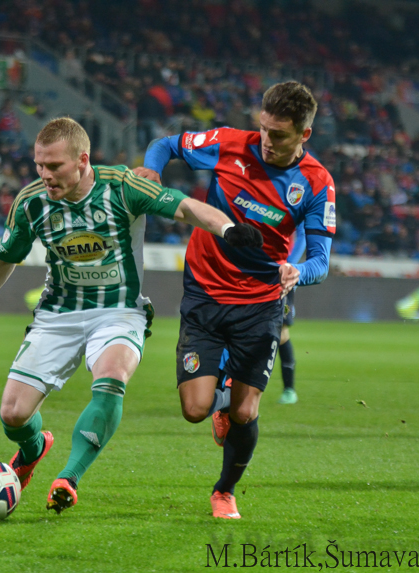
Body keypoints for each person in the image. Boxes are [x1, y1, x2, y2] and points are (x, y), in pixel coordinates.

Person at [0, 117, 262, 514]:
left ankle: (69, 478)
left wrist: (227, 229)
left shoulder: (123, 187)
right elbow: (4, 257)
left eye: (54, 166)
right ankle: (34, 448)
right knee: (13, 414)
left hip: (118, 311)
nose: (45, 175)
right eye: (39, 165)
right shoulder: (32, 202)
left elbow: (184, 207)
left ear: (82, 160)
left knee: (111, 376)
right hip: (58, 313)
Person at [137, 81, 335, 519]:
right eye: (263, 128)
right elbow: (165, 145)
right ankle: (220, 398)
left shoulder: (316, 183)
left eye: (279, 134)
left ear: (304, 134)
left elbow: (321, 261)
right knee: (195, 410)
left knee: (245, 413)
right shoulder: (228, 144)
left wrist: (298, 272)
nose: (266, 140)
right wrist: (152, 171)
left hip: (261, 302)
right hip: (205, 290)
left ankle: (224, 491)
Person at [278, 222, 306, 405]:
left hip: (281, 277)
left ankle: (289, 390)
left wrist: (289, 265)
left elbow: (303, 235)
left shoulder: (295, 208)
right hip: (257, 271)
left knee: (281, 333)